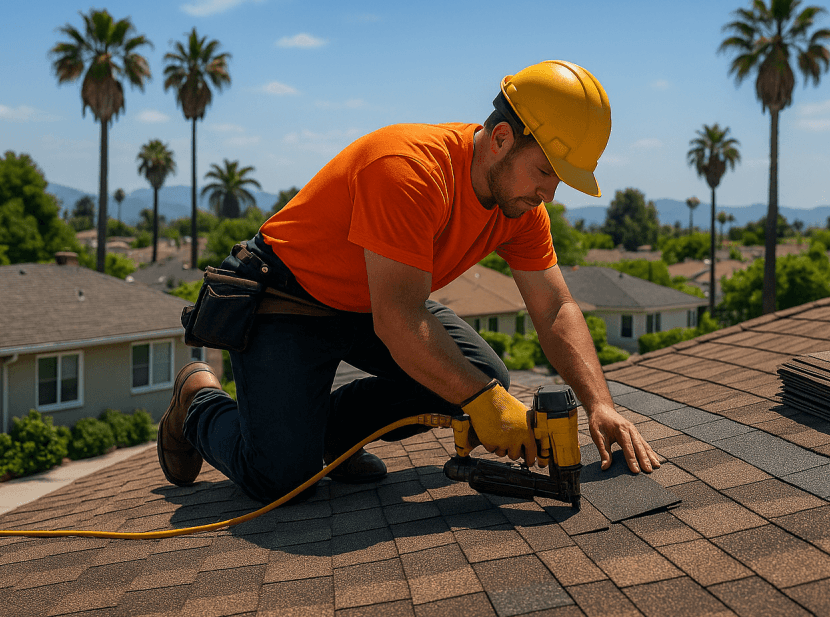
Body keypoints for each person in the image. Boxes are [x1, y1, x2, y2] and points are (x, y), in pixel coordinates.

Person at [158, 60, 661, 504]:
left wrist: (600, 404)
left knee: (481, 378)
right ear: (502, 139)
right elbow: (399, 319)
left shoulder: (522, 210)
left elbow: (554, 309)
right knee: (283, 480)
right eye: (545, 172)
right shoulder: (409, 170)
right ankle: (197, 399)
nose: (548, 193)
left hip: (375, 301)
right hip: (291, 299)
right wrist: (486, 404)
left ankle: (332, 438)